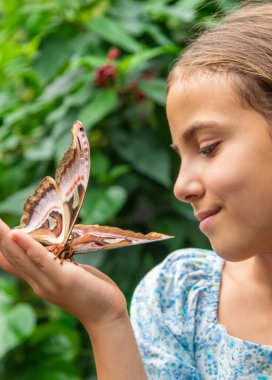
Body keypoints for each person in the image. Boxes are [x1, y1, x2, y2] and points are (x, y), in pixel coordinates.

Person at [1, 2, 272, 379]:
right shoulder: (179, 296)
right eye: (179, 156)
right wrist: (105, 319)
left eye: (208, 147)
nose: (181, 186)